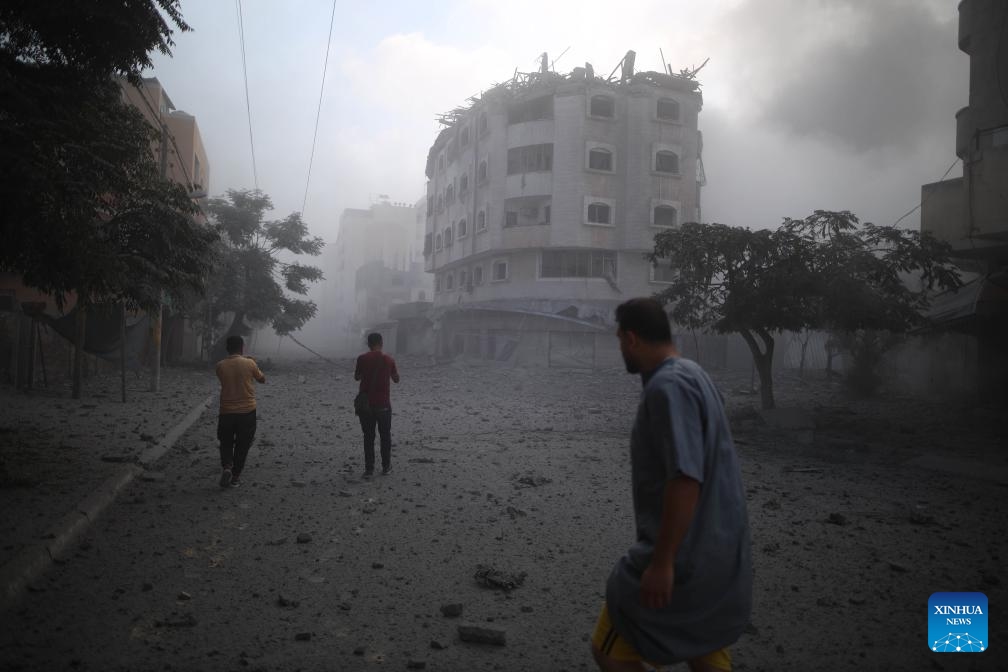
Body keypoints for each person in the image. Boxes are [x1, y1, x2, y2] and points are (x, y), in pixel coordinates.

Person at [591, 298, 752, 672]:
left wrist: (662, 563)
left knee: (610, 649)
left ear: (631, 339)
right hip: (719, 553)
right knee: (704, 646)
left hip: (685, 556)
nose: (619, 350)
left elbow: (685, 477)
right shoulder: (694, 372)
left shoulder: (668, 387)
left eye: (618, 341)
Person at [214, 335, 266, 488]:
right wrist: (253, 363)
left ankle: (227, 467)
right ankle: (235, 477)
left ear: (227, 348)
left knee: (226, 442)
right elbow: (262, 379)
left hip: (226, 411)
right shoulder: (250, 363)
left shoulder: (220, 366)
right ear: (242, 347)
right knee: (243, 445)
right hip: (247, 411)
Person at [354, 332, 400, 478]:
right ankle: (386, 467)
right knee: (385, 436)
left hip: (366, 405)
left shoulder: (362, 358)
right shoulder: (389, 360)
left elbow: (357, 377)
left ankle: (369, 469)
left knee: (368, 437)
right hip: (383, 405)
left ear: (368, 344)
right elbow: (396, 379)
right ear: (382, 343)